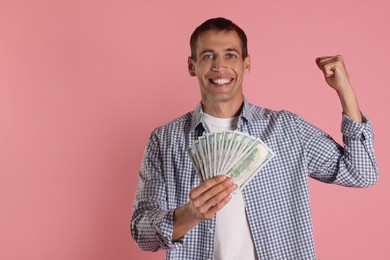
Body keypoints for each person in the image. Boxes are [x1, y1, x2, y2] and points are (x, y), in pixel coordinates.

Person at [131, 17, 378, 260]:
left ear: (246, 64)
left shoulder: (287, 129)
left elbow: (361, 173)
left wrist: (345, 91)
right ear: (191, 65)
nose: (219, 66)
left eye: (230, 55)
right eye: (207, 56)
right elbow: (141, 232)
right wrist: (190, 214)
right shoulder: (165, 140)